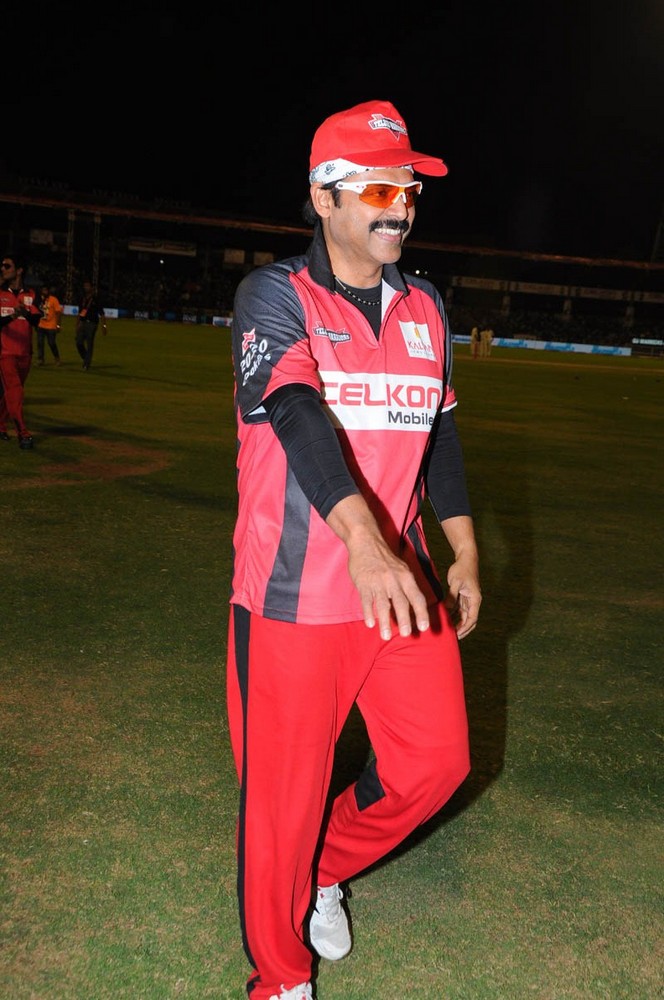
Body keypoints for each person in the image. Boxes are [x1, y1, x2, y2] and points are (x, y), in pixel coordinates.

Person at [226, 99, 482, 1000]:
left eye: (408, 189)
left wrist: (462, 550)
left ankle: (324, 868)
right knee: (281, 804)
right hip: (295, 593)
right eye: (378, 189)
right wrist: (363, 543)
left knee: (436, 762)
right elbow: (296, 412)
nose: (399, 207)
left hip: (399, 586)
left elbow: (439, 433)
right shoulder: (273, 297)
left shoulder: (426, 305)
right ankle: (280, 980)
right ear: (324, 196)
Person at [0, 252, 42, 448]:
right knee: (15, 392)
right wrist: (13, 316)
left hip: (25, 354)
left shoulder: (31, 294)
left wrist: (25, 311)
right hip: (5, 353)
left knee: (10, 394)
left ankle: (1, 426)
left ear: (19, 270)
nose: (2, 269)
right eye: (2, 266)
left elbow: (37, 321)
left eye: (7, 266)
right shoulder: (0, 294)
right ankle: (23, 434)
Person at [75, 279, 107, 369]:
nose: (86, 287)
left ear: (92, 288)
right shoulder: (82, 299)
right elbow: (80, 312)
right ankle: (86, 358)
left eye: (88, 286)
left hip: (92, 323)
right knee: (79, 342)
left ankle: (86, 363)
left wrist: (104, 326)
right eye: (85, 286)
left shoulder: (96, 299)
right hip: (83, 323)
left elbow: (102, 314)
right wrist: (77, 323)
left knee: (89, 343)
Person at [36, 285, 64, 365]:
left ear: (48, 291)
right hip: (41, 325)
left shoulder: (53, 300)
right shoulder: (39, 300)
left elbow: (58, 313)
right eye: (43, 290)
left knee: (51, 343)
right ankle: (40, 359)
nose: (44, 292)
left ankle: (57, 358)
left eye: (45, 290)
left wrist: (58, 325)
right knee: (40, 343)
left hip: (51, 325)